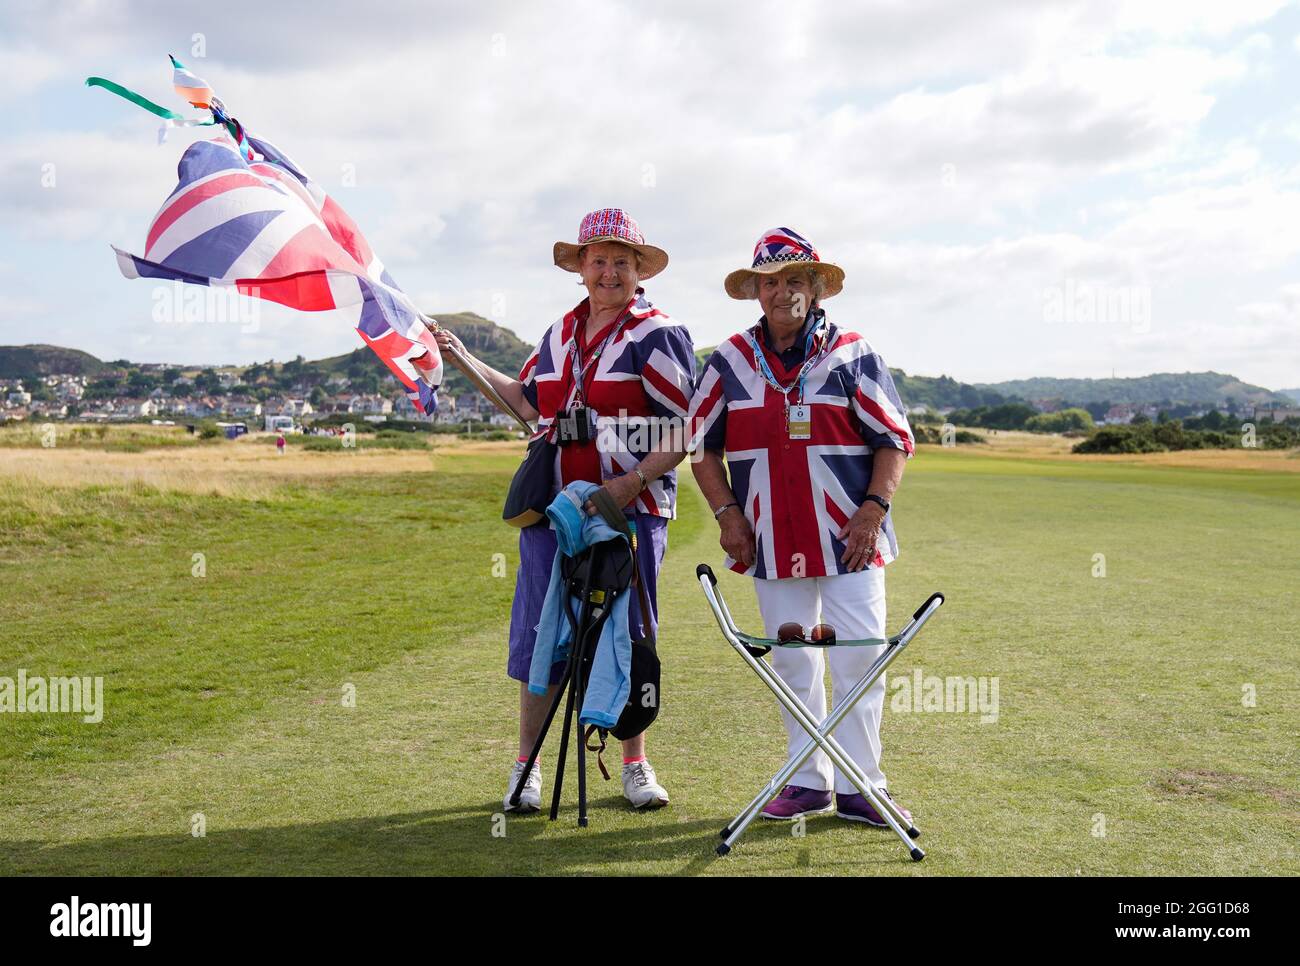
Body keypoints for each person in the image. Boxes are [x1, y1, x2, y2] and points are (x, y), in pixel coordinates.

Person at [432, 208, 696, 813]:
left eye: (621, 262)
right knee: (541, 632)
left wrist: (631, 483)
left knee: (628, 634)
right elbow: (527, 403)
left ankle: (635, 765)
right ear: (579, 267)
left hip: (631, 512)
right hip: (557, 514)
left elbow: (686, 424)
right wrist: (462, 356)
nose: (609, 271)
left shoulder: (658, 333)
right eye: (598, 260)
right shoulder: (557, 335)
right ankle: (526, 768)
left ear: (638, 270)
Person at [688, 227, 916, 826]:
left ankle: (864, 787)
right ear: (756, 291)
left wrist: (873, 509)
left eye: (795, 280)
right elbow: (701, 448)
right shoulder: (730, 360)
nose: (782, 291)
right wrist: (727, 513)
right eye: (771, 281)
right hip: (769, 542)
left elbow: (893, 439)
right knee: (793, 662)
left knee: (858, 663)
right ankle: (808, 781)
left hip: (853, 542)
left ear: (816, 288)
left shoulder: (852, 352)